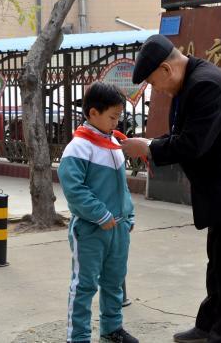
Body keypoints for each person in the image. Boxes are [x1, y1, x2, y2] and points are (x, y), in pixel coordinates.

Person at [121, 34, 221, 343]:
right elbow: (184, 134)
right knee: (219, 262)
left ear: (166, 69)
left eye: (153, 82)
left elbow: (193, 143)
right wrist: (152, 144)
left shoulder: (206, 85)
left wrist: (150, 147)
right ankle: (208, 326)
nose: (157, 90)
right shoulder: (190, 83)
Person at [58, 82, 139, 343]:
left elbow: (121, 186)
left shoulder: (113, 142)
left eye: (118, 117)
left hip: (118, 228)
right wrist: (101, 215)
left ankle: (111, 328)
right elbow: (74, 189)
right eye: (112, 117)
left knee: (114, 281)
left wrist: (129, 215)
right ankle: (78, 337)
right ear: (93, 113)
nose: (116, 123)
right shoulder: (79, 147)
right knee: (84, 285)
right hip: (91, 230)